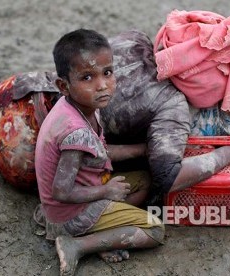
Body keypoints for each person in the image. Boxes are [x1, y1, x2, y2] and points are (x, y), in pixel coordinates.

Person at [33, 29, 164, 276]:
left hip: (86, 192)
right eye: (87, 77)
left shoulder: (82, 106)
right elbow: (61, 191)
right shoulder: (75, 132)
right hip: (71, 213)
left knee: (145, 180)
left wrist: (143, 150)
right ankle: (78, 244)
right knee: (155, 230)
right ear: (64, 85)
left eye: (107, 72)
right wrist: (106, 191)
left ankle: (104, 234)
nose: (102, 85)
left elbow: (99, 152)